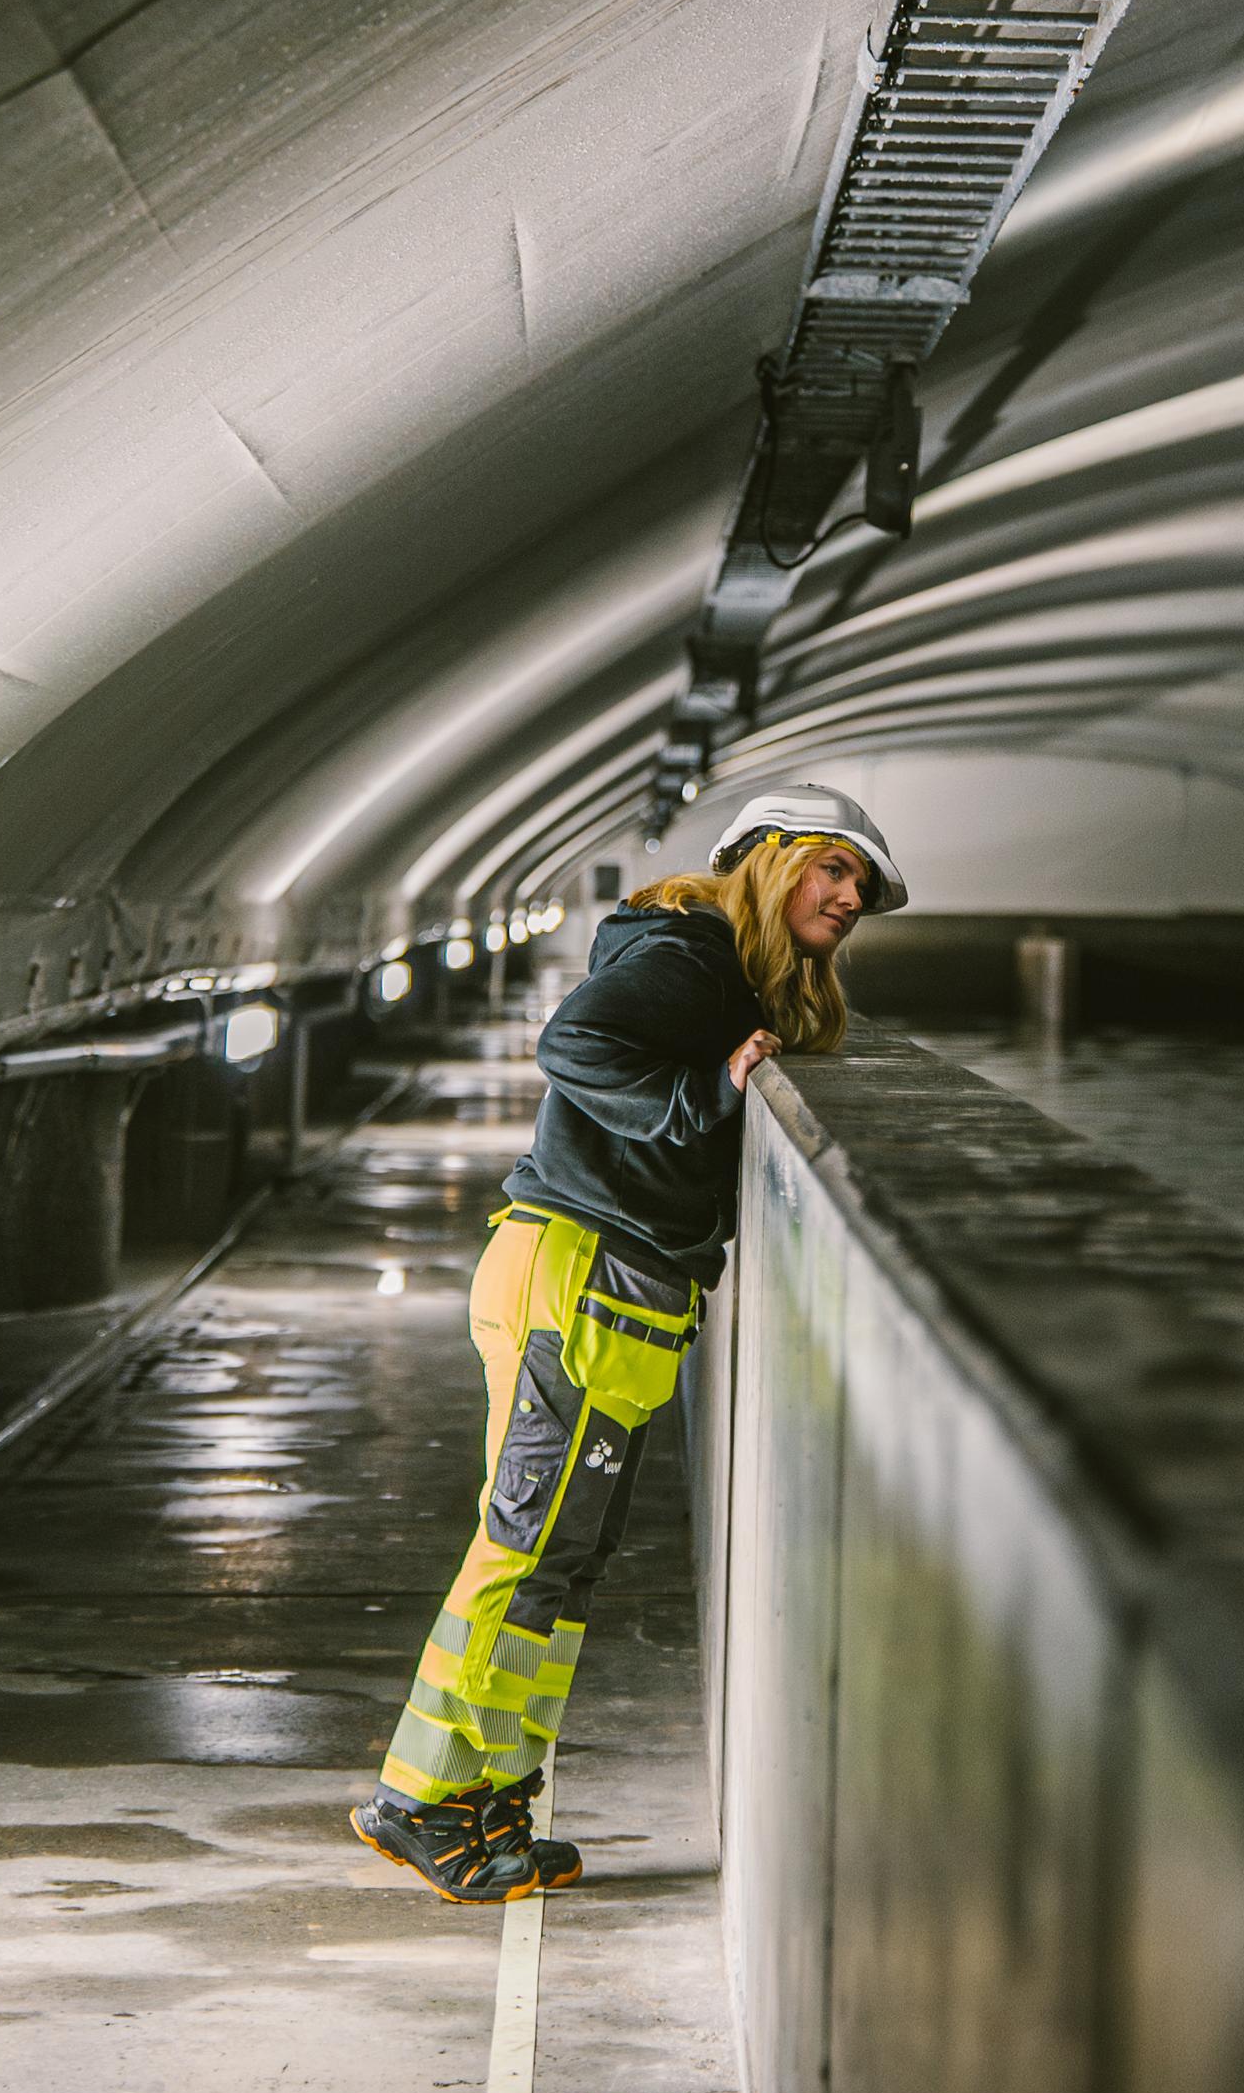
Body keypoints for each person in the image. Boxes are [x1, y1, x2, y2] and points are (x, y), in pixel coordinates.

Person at [351, 781, 909, 1901]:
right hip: (581, 1277)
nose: (849, 897)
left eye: (861, 884)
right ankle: (419, 1800)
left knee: (562, 1561)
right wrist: (702, 1096)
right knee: (523, 1548)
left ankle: (493, 1793)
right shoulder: (691, 955)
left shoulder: (725, 970)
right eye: (831, 868)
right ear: (764, 858)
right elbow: (573, 1041)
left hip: (617, 1295)